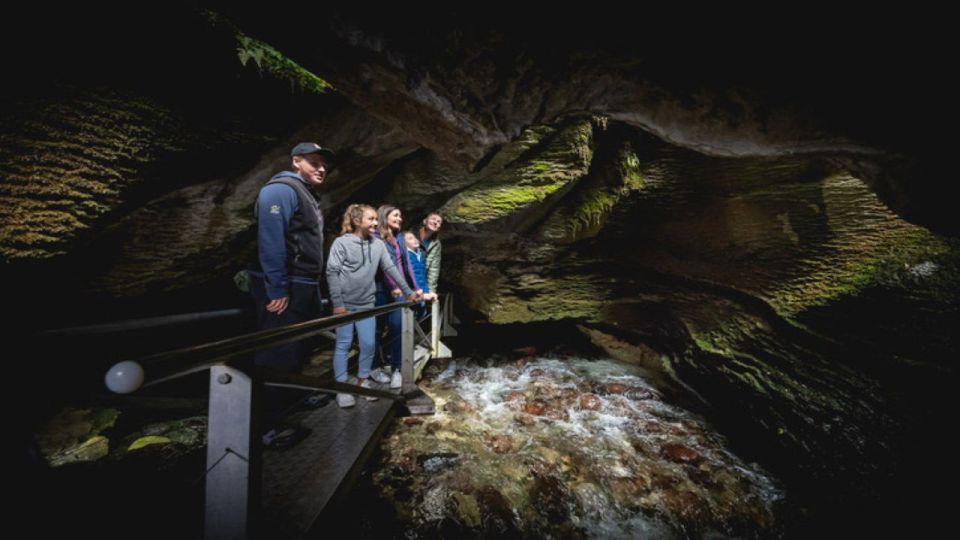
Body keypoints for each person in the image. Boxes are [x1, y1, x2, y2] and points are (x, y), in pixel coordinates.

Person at [249, 142, 333, 446]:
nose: (321, 168)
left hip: (306, 284)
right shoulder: (280, 190)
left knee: (298, 349)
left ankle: (293, 400)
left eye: (323, 164)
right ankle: (264, 427)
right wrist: (276, 287)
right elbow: (270, 240)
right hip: (288, 284)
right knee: (276, 354)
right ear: (296, 161)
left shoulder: (308, 195)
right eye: (314, 162)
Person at [326, 205, 420, 408]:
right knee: (343, 344)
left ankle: (362, 382)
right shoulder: (341, 243)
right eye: (371, 219)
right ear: (357, 221)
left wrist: (408, 291)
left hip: (367, 304)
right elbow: (332, 272)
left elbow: (391, 269)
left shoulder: (377, 244)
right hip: (345, 305)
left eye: (377, 219)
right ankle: (342, 388)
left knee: (368, 344)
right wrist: (338, 303)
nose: (376, 223)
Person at [370, 204, 421, 388]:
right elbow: (382, 267)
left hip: (399, 290)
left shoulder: (399, 237)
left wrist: (414, 289)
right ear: (385, 216)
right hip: (380, 289)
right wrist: (394, 286)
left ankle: (397, 370)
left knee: (398, 327)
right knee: (375, 330)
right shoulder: (375, 237)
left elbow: (406, 265)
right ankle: (375, 367)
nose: (400, 219)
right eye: (395, 215)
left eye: (400, 216)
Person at [404, 231, 437, 313]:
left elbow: (423, 275)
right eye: (410, 239)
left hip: (423, 292)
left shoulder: (421, 254)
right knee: (411, 318)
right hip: (413, 293)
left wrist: (427, 291)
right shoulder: (405, 255)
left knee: (422, 314)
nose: (415, 240)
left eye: (415, 238)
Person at [417, 213, 443, 294]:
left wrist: (431, 291)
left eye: (439, 222)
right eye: (433, 219)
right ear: (425, 221)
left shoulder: (436, 244)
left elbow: (434, 268)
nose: (435, 222)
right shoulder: (411, 234)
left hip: (420, 279)